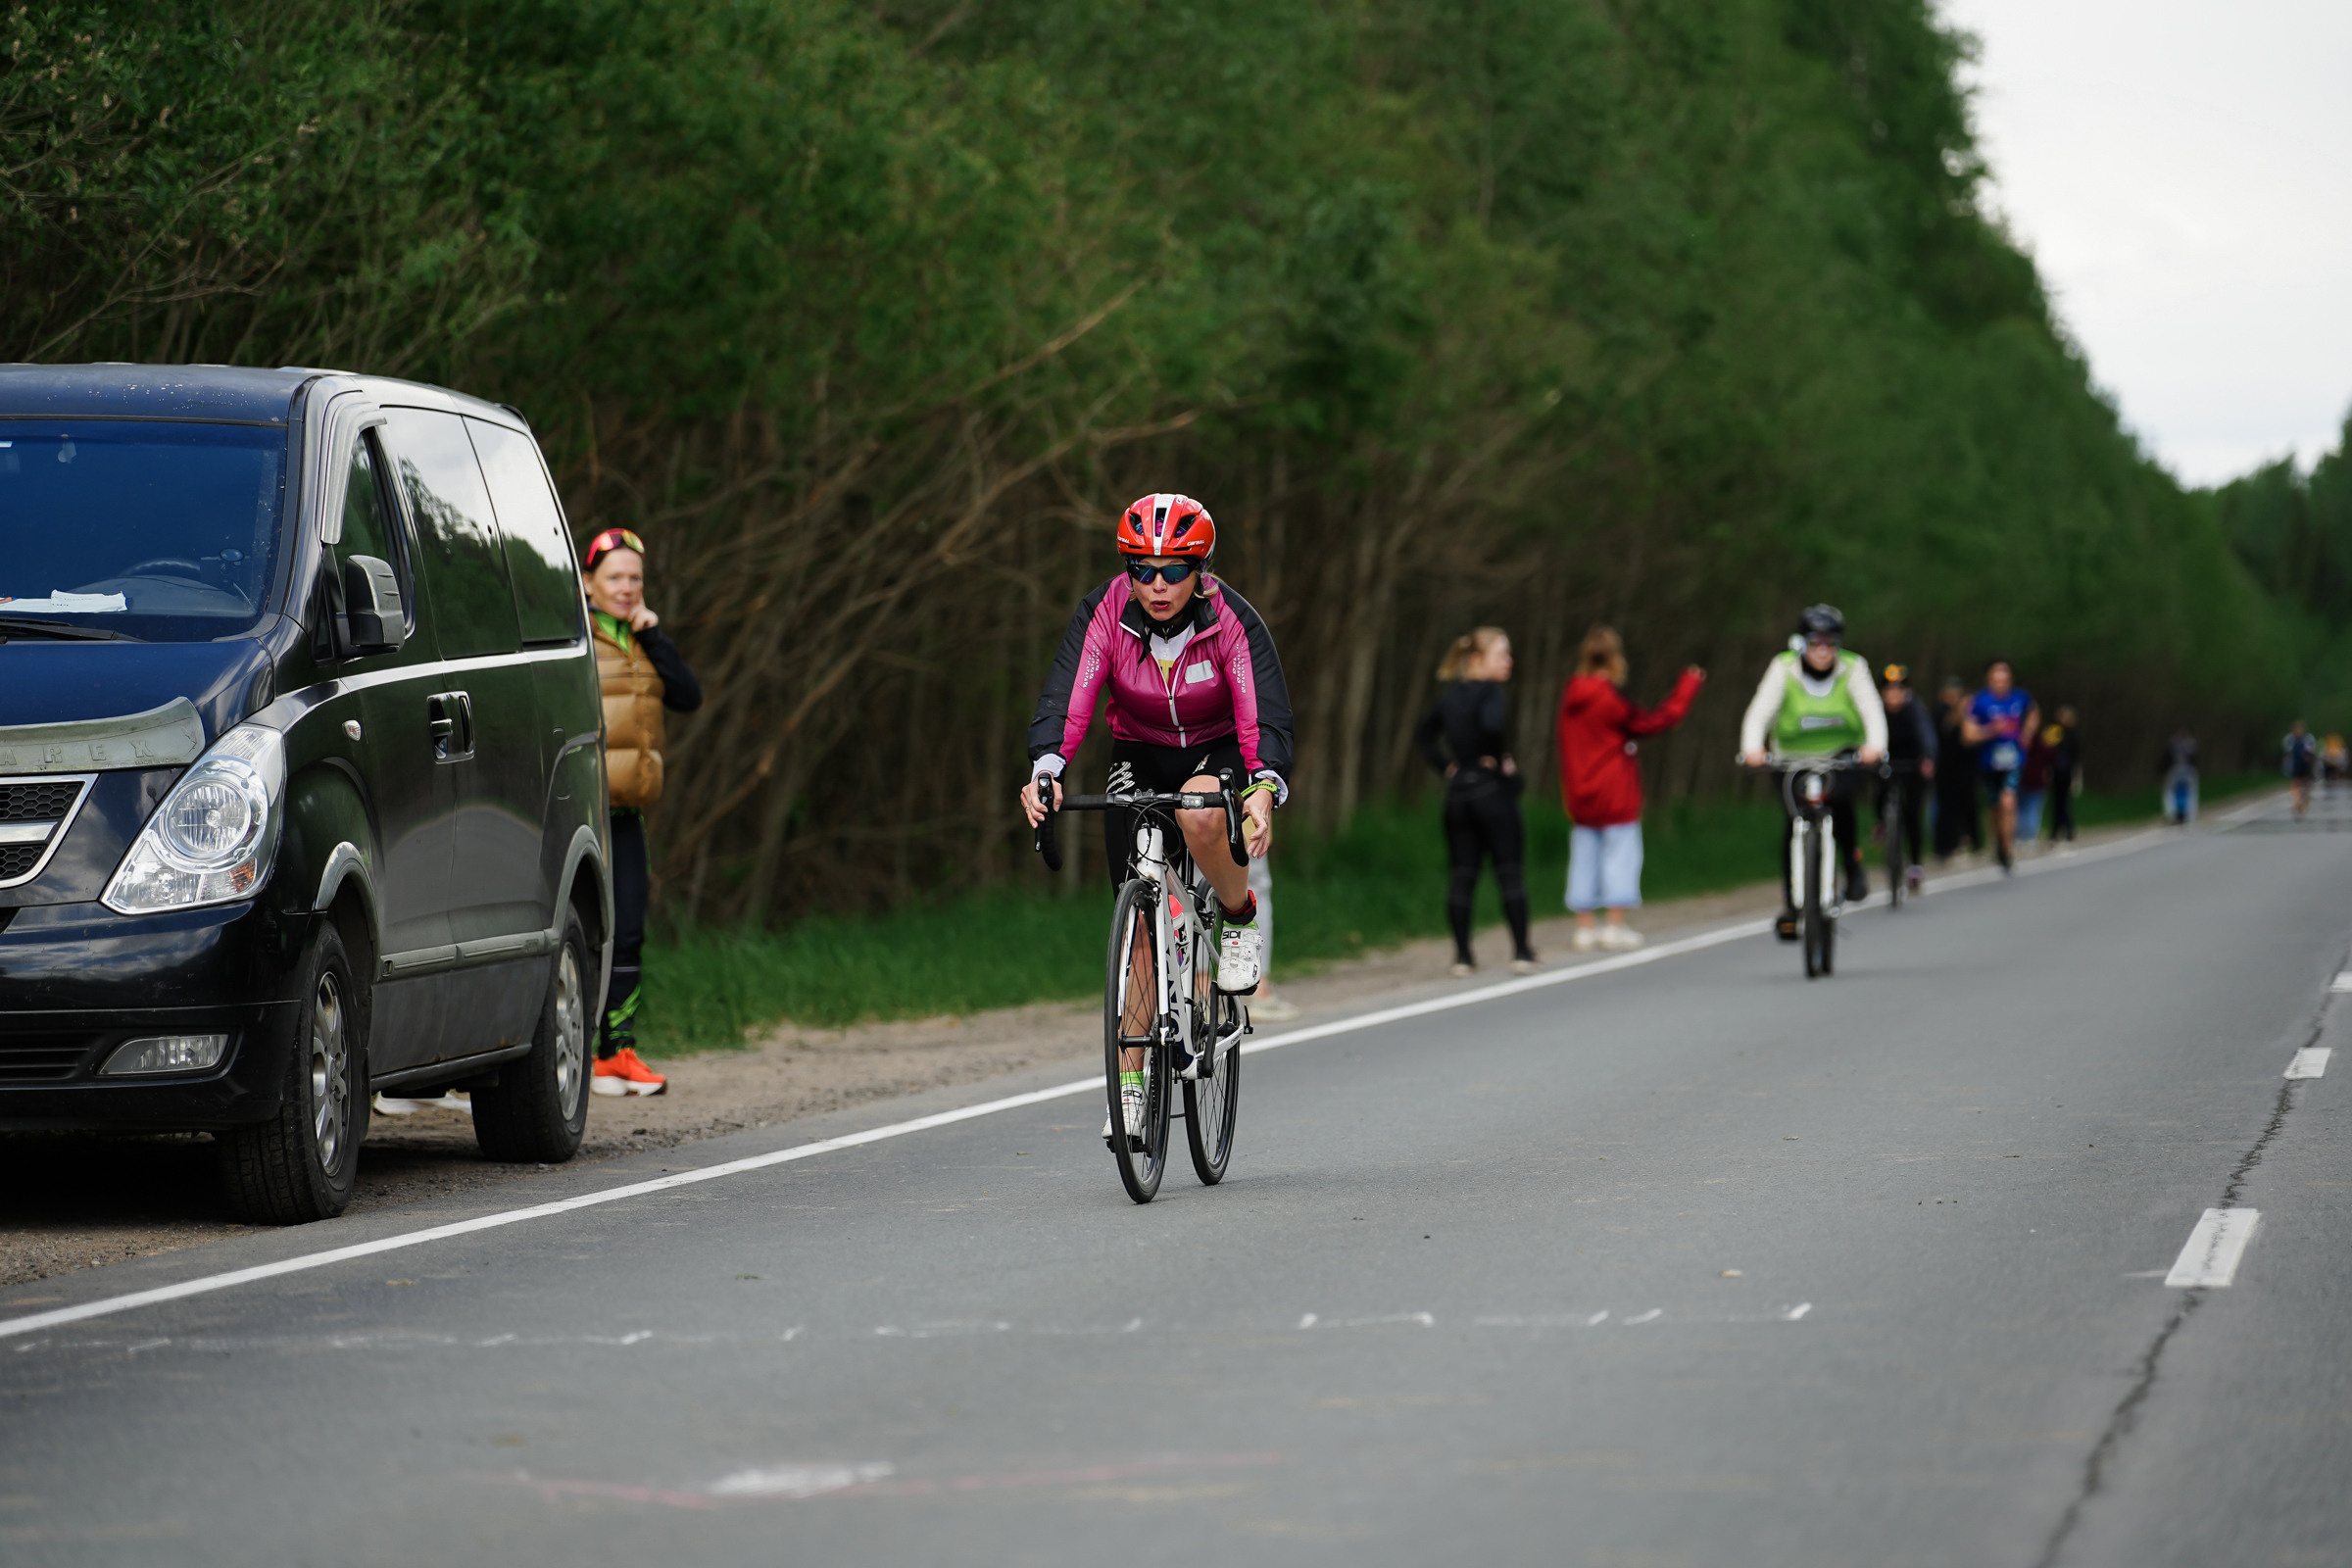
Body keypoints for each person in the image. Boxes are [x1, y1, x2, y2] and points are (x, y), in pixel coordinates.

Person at [1022, 493, 1292, 1144]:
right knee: (1139, 926)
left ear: (1201, 568)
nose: (1157, 584)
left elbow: (1262, 711)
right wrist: (1046, 770)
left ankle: (1235, 916)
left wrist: (1261, 788)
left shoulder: (1231, 620)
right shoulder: (1106, 610)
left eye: (1174, 569)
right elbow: (1071, 695)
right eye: (1142, 569)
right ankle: (1133, 1090)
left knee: (1200, 820)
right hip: (1140, 752)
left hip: (1216, 748)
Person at [584, 526, 703, 1097]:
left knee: (629, 929)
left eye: (635, 578)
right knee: (581, 931)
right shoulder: (575, 636)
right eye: (615, 578)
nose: (627, 588)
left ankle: (616, 1052)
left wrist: (654, 638)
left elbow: (688, 695)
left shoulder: (640, 639)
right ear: (589, 583)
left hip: (627, 812)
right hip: (579, 811)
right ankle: (569, 1050)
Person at [1739, 605, 1887, 940]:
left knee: (1842, 800)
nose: (1822, 652)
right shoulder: (1783, 667)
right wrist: (1752, 748)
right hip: (1791, 758)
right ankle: (1792, 906)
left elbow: (1872, 710)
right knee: (1794, 823)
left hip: (1842, 755)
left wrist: (1874, 746)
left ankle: (1851, 864)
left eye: (1829, 644)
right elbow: (1760, 712)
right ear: (1802, 644)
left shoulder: (1853, 667)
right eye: (1815, 644)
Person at [1553, 624, 1704, 952]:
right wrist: (1687, 688)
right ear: (1615, 660)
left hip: (1579, 794)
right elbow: (1653, 722)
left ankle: (1585, 928)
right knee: (1620, 857)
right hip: (1615, 792)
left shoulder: (1570, 697)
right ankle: (1614, 926)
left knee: (1584, 857)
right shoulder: (1610, 700)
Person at [1416, 628, 1540, 976]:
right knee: (1510, 872)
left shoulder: (1450, 697)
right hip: (1492, 793)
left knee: (1463, 875)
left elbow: (1424, 735)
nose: (1509, 661)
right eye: (1502, 655)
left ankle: (1463, 957)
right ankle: (1522, 952)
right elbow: (1492, 724)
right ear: (1477, 660)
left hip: (1458, 795)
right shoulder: (1492, 693)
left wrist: (1447, 767)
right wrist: (1501, 760)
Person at [1961, 661, 2039, 872]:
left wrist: (2027, 733)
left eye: (2004, 680)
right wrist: (1990, 731)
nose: (2000, 684)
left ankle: (2008, 849)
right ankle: (1998, 842)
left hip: (2014, 761)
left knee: (2008, 801)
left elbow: (2033, 712)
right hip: (1989, 762)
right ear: (1989, 680)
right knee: (1994, 807)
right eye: (1996, 680)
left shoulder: (2020, 697)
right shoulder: (1979, 701)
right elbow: (1967, 735)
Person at [1876, 664, 1936, 894]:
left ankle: (1915, 865)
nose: (1894, 696)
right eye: (1889, 690)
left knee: (1913, 813)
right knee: (1880, 791)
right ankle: (1882, 823)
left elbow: (1926, 734)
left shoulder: (1915, 709)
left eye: (1899, 690)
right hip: (1886, 762)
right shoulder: (1876, 710)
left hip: (1913, 763)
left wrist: (1927, 758)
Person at [1932, 676, 1983, 861]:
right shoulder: (1940, 713)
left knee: (1969, 807)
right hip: (1945, 770)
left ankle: (1972, 843)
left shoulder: (1970, 714)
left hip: (1967, 770)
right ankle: (1945, 847)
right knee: (1946, 810)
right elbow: (1946, 731)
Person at [2017, 720, 2054, 846]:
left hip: (2023, 780)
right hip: (2037, 780)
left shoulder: (2019, 743)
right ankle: (2030, 837)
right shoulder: (2041, 744)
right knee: (2032, 809)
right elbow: (2052, 759)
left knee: (2022, 809)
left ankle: (2020, 837)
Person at [2046, 707, 2082, 842]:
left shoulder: (2073, 734)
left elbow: (2077, 755)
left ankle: (2066, 829)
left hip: (2066, 772)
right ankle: (2059, 830)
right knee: (2058, 802)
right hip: (2056, 771)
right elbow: (2047, 748)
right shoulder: (2054, 731)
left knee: (2064, 802)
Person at [2161, 728, 2199, 824]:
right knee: (2191, 793)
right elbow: (2196, 761)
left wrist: (2164, 772)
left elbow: (2165, 760)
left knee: (2170, 793)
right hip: (2188, 773)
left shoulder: (2171, 745)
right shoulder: (2191, 745)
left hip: (2174, 772)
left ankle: (2173, 814)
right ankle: (2189, 814)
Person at [2284, 720, 2318, 818]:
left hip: (2306, 765)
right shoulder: (2290, 740)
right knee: (2295, 783)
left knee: (2306, 784)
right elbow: (2287, 754)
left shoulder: (2308, 739)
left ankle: (2304, 800)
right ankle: (2297, 803)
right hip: (2296, 765)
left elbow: (2312, 752)